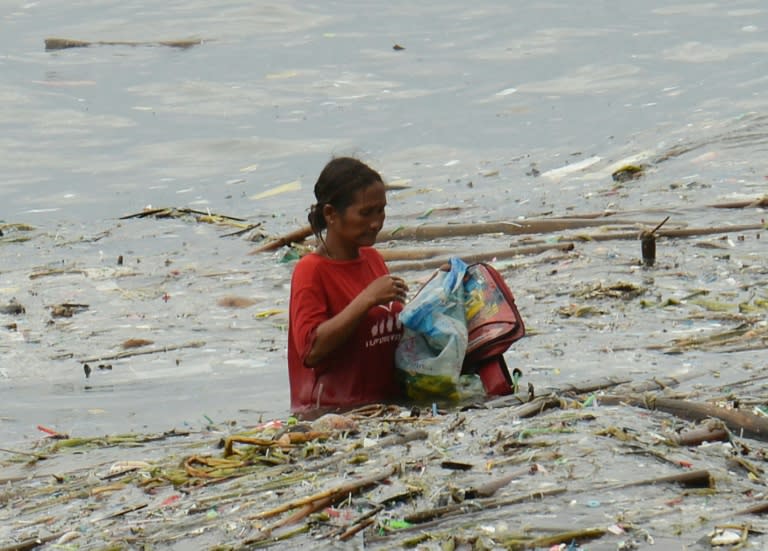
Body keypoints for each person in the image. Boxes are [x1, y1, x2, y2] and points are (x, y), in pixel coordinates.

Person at [287, 157, 409, 412]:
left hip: (383, 407)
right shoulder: (311, 270)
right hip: (332, 413)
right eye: (365, 213)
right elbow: (311, 350)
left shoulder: (373, 260)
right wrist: (366, 299)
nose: (376, 222)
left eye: (381, 210)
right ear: (331, 214)